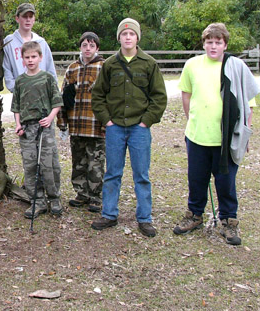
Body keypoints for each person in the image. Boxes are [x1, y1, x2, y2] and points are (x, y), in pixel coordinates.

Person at [173, 23, 260, 246]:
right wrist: (192, 120)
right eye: (209, 42)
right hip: (198, 136)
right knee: (196, 179)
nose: (213, 46)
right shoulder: (192, 65)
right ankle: (194, 215)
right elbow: (186, 94)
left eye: (218, 42)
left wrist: (245, 134)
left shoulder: (237, 67)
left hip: (227, 139)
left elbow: (248, 104)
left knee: (226, 182)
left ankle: (228, 222)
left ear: (225, 44)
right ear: (204, 43)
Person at [91, 18, 167, 237]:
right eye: (124, 34)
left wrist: (146, 121)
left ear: (137, 37)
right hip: (115, 128)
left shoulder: (149, 64)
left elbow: (159, 97)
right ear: (119, 38)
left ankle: (144, 218)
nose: (127, 37)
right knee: (113, 172)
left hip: (139, 129)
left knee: (141, 174)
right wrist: (107, 120)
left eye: (131, 34)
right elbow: (98, 95)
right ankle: (109, 214)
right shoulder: (110, 65)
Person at [12, 41, 63, 218]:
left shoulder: (48, 78)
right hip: (26, 129)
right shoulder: (20, 81)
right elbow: (16, 107)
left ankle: (54, 198)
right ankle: (37, 200)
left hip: (44, 127)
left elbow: (57, 102)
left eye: (34, 56)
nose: (31, 60)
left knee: (49, 163)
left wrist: (50, 118)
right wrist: (18, 125)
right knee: (30, 165)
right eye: (27, 57)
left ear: (40, 58)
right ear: (22, 59)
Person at [57, 32, 105, 213]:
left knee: (96, 163)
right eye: (84, 45)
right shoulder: (72, 69)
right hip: (76, 126)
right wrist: (62, 123)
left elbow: (109, 98)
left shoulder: (103, 67)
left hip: (96, 125)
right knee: (78, 162)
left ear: (97, 48)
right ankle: (81, 193)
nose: (88, 49)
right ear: (80, 47)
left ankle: (96, 196)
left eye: (91, 46)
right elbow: (63, 97)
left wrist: (106, 123)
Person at [3, 3, 57, 93]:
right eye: (24, 16)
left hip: (42, 93)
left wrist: (52, 91)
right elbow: (7, 69)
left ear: (34, 19)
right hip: (20, 93)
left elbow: (50, 70)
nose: (28, 20)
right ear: (17, 18)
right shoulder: (9, 42)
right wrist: (15, 89)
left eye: (30, 16)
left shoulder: (41, 43)